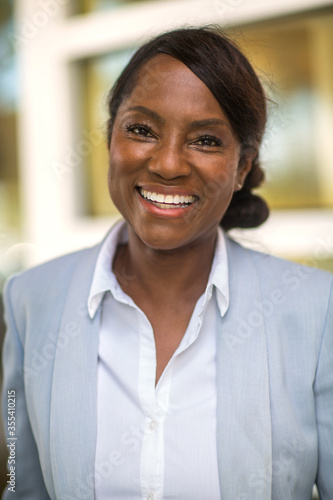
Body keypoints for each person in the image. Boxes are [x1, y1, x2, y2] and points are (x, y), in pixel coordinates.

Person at [1, 26, 332, 500]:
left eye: (206, 141)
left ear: (242, 167)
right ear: (111, 140)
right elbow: (18, 478)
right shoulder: (31, 300)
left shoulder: (317, 313)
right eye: (141, 130)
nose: (168, 163)